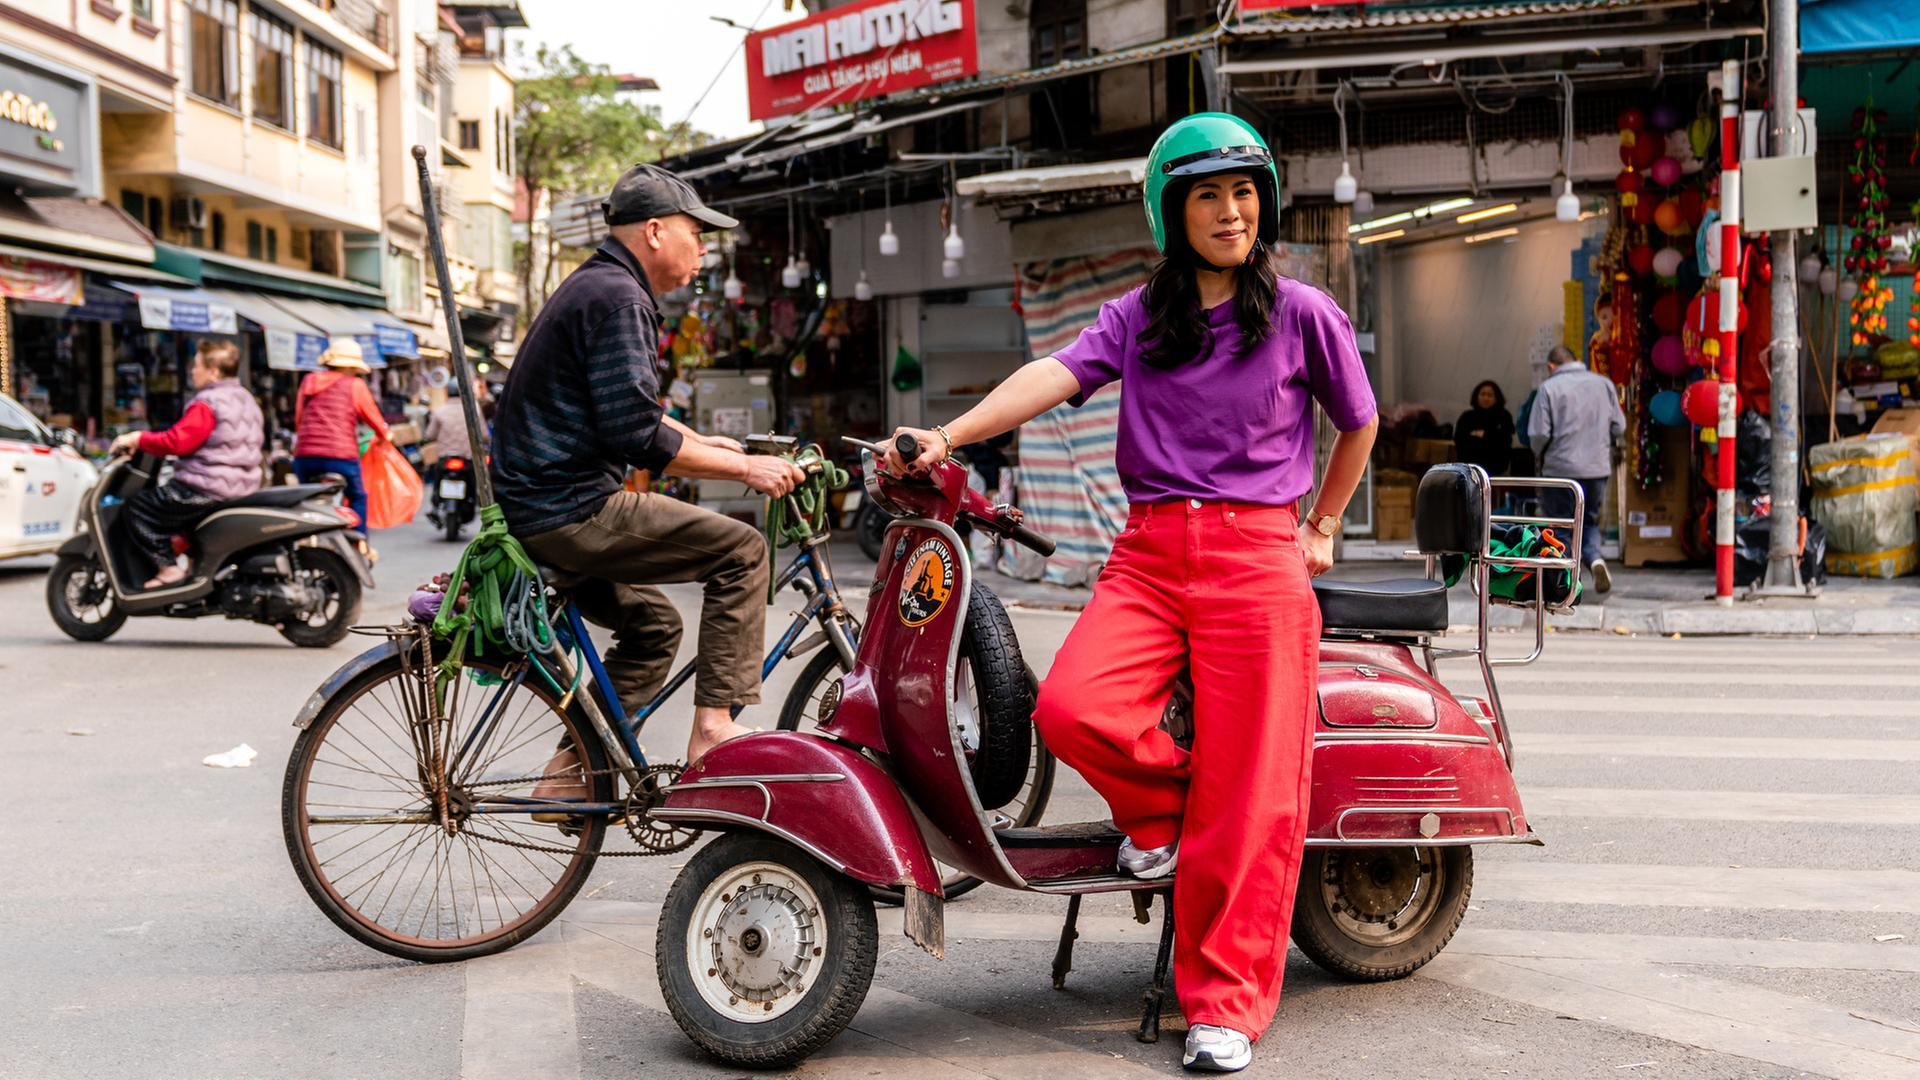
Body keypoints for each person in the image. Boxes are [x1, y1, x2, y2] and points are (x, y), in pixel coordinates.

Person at [886, 113, 1377, 1074]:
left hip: (1257, 558)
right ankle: (1162, 820)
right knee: (1072, 709)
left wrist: (1319, 525)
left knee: (1254, 789)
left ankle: (1224, 1006)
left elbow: (1356, 423)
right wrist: (949, 436)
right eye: (1207, 195)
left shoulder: (1304, 313)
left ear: (1264, 202)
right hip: (1150, 551)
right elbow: (1054, 373)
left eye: (1244, 193)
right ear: (1171, 211)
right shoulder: (1142, 315)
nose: (1231, 212)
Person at [490, 161, 804, 771]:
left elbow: (635, 411)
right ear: (655, 231)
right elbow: (635, 434)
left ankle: (569, 775)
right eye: (698, 234)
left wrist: (715, 445)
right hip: (569, 508)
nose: (704, 250)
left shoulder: (601, 285)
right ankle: (715, 728)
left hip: (541, 506)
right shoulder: (617, 297)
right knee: (742, 551)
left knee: (655, 626)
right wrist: (746, 473)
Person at [109, 339, 264, 589]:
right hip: (242, 486)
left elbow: (177, 442)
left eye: (197, 366)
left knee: (139, 507)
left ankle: (167, 568)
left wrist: (138, 438)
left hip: (208, 487)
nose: (192, 371)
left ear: (213, 372)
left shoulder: (208, 403)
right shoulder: (245, 398)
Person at [1529, 343, 1625, 592]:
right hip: (1596, 469)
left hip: (1560, 470)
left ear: (1552, 366)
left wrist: (1540, 454)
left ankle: (1568, 581)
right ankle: (1594, 559)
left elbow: (1539, 434)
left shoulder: (1548, 388)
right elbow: (1619, 427)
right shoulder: (1603, 384)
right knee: (1589, 520)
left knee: (1562, 524)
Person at [293, 338, 391, 552]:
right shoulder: (355, 385)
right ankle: (359, 542)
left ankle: (302, 541)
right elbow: (373, 418)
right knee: (357, 496)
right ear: (350, 366)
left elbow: (299, 419)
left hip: (305, 456)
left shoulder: (309, 380)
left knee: (303, 498)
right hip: (341, 457)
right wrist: (385, 434)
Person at [1453, 379, 1514, 477]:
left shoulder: (1504, 416)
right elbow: (1460, 439)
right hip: (1468, 470)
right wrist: (1488, 436)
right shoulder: (1467, 417)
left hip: (1496, 470)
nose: (1486, 398)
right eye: (1483, 394)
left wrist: (1482, 435)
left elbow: (1502, 441)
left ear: (1496, 397)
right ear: (1477, 396)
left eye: (1490, 395)